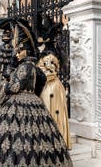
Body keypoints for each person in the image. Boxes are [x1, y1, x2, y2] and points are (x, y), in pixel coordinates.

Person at [0, 18, 73, 167]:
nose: (16, 53)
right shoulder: (31, 68)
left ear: (26, 49)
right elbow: (39, 86)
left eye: (19, 50)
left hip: (19, 105)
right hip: (33, 105)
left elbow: (12, 88)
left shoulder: (26, 67)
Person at [36, 15, 71, 149]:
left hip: (50, 88)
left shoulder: (50, 54)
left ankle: (54, 144)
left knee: (51, 112)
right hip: (49, 87)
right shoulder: (46, 53)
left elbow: (49, 74)